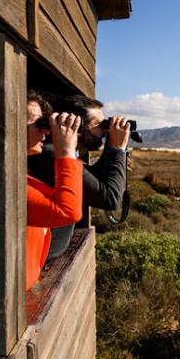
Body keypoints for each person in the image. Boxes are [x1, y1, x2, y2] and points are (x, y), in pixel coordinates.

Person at [28, 95, 131, 260]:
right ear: (78, 127)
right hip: (41, 260)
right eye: (99, 125)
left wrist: (113, 147)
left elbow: (92, 180)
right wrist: (117, 150)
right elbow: (109, 198)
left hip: (47, 256)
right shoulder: (51, 155)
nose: (105, 131)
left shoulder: (58, 152)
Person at [26, 91, 82, 290]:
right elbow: (68, 211)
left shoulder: (21, 178)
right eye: (37, 123)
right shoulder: (7, 184)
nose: (46, 132)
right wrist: (66, 152)